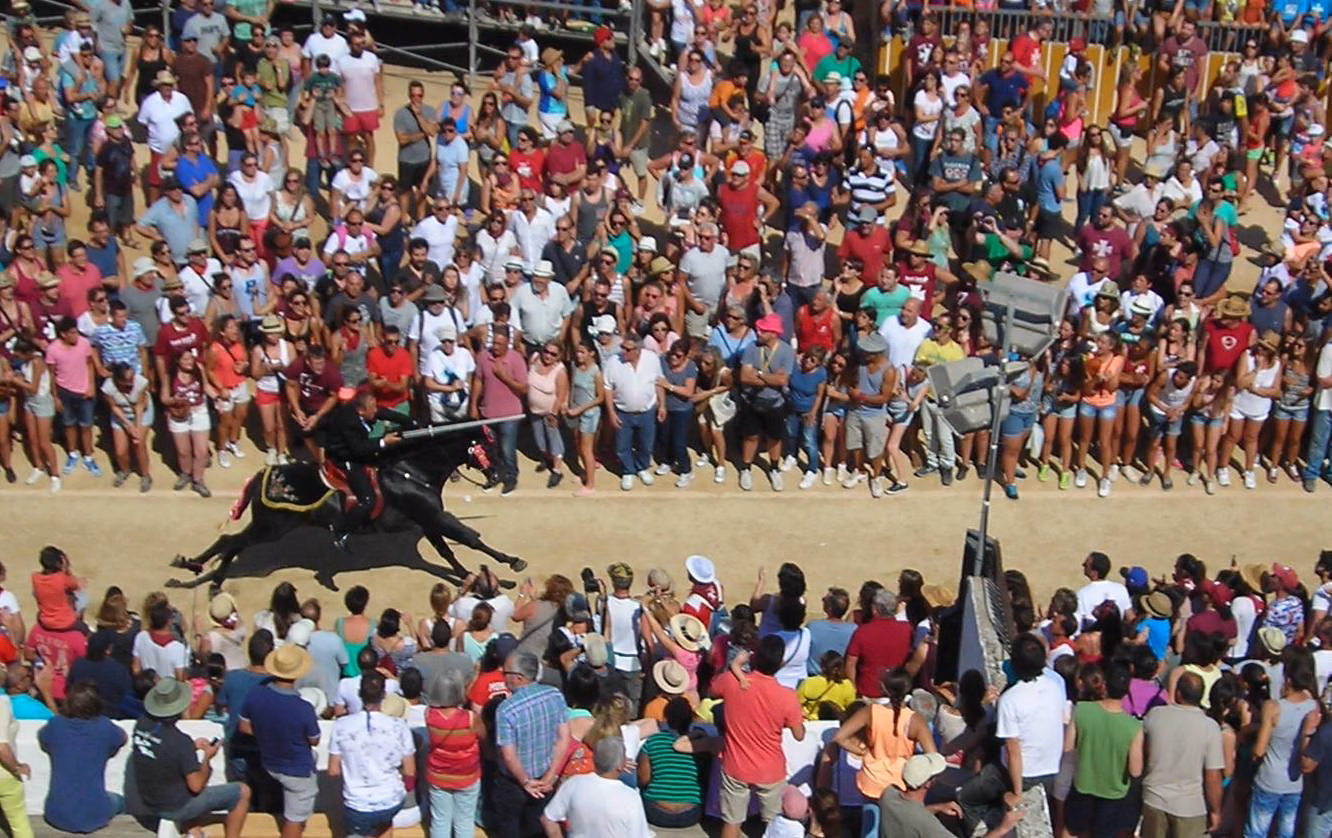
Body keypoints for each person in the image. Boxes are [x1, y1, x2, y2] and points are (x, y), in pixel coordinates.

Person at [129, 677, 251, 838]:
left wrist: (192, 747)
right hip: (175, 806)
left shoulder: (142, 725)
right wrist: (207, 757)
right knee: (242, 791)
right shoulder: (179, 742)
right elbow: (196, 785)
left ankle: (193, 831)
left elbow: (162, 749)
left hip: (150, 799)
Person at [710, 634, 806, 838]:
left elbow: (712, 691)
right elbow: (799, 735)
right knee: (774, 824)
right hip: (770, 769)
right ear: (781, 663)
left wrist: (735, 666)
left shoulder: (731, 681)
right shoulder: (787, 696)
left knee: (731, 821)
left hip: (735, 764)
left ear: (753, 658)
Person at [238, 644, 321, 838]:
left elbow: (243, 726)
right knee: (294, 820)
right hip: (296, 770)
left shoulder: (255, 694)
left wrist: (269, 734)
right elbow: (314, 740)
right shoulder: (303, 708)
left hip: (269, 762)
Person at [318, 387, 412, 549]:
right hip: (346, 459)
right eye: (372, 408)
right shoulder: (350, 423)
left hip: (356, 450)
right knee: (367, 500)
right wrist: (384, 442)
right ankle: (342, 531)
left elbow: (385, 413)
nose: (376, 411)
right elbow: (359, 449)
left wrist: (411, 423)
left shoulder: (363, 411)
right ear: (361, 411)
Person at [328, 669, 416, 838]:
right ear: (384, 694)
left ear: (360, 693)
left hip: (357, 804)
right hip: (391, 799)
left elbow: (333, 771)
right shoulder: (399, 726)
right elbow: (409, 771)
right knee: (385, 826)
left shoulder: (341, 726)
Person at [493, 650, 570, 838]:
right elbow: (564, 737)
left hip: (515, 783)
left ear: (519, 678)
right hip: (545, 780)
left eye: (506, 673)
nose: (503, 675)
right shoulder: (555, 695)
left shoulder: (506, 710)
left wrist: (525, 782)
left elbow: (509, 755)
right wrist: (551, 775)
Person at [1141, 671, 1224, 838]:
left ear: (1178, 693)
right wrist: (1215, 810)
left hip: (1154, 799)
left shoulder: (1155, 714)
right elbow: (1213, 776)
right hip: (1190, 807)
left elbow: (1145, 752)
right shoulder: (1210, 727)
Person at [37, 680, 127, 833]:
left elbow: (43, 737)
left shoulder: (56, 725)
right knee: (120, 801)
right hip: (94, 815)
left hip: (57, 813)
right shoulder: (104, 727)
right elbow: (122, 738)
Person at [541, 737, 651, 838]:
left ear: (594, 758)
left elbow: (548, 819)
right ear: (620, 765)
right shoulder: (631, 797)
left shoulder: (573, 784)